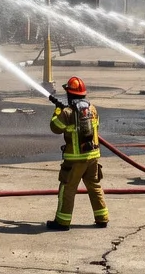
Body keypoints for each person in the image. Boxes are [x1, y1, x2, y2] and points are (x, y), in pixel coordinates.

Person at [47, 76, 108, 230]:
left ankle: (62, 221)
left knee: (67, 189)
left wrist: (57, 111)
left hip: (75, 160)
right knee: (94, 186)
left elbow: (55, 128)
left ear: (70, 94)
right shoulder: (93, 109)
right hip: (93, 157)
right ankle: (102, 218)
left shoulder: (67, 113)